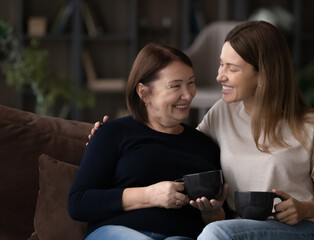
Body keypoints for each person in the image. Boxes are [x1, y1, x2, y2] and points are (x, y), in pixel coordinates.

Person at [90, 21, 314, 240]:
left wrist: (305, 209)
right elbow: (179, 148)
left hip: (305, 230)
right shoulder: (222, 113)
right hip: (242, 229)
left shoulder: (312, 126)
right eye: (221, 64)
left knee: (216, 233)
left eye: (232, 68)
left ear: (263, 75)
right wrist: (111, 136)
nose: (219, 76)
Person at [68, 43, 227, 240]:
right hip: (118, 232)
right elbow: (79, 203)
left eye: (191, 83)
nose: (188, 94)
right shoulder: (113, 132)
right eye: (175, 86)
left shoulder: (206, 145)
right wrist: (150, 195)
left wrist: (212, 214)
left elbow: (221, 222)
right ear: (144, 93)